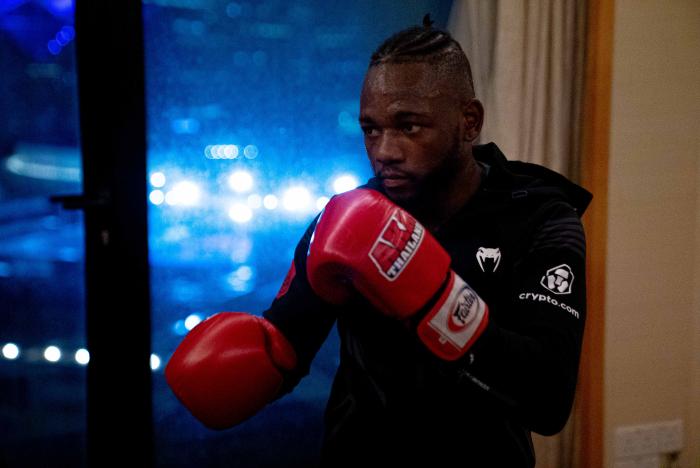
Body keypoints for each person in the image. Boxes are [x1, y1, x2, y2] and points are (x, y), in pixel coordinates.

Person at [165, 16, 592, 467]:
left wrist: (436, 300)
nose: (384, 150)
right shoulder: (347, 219)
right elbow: (283, 347)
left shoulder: (541, 218)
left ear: (469, 122)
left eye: (409, 127)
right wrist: (246, 364)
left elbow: (548, 399)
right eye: (371, 129)